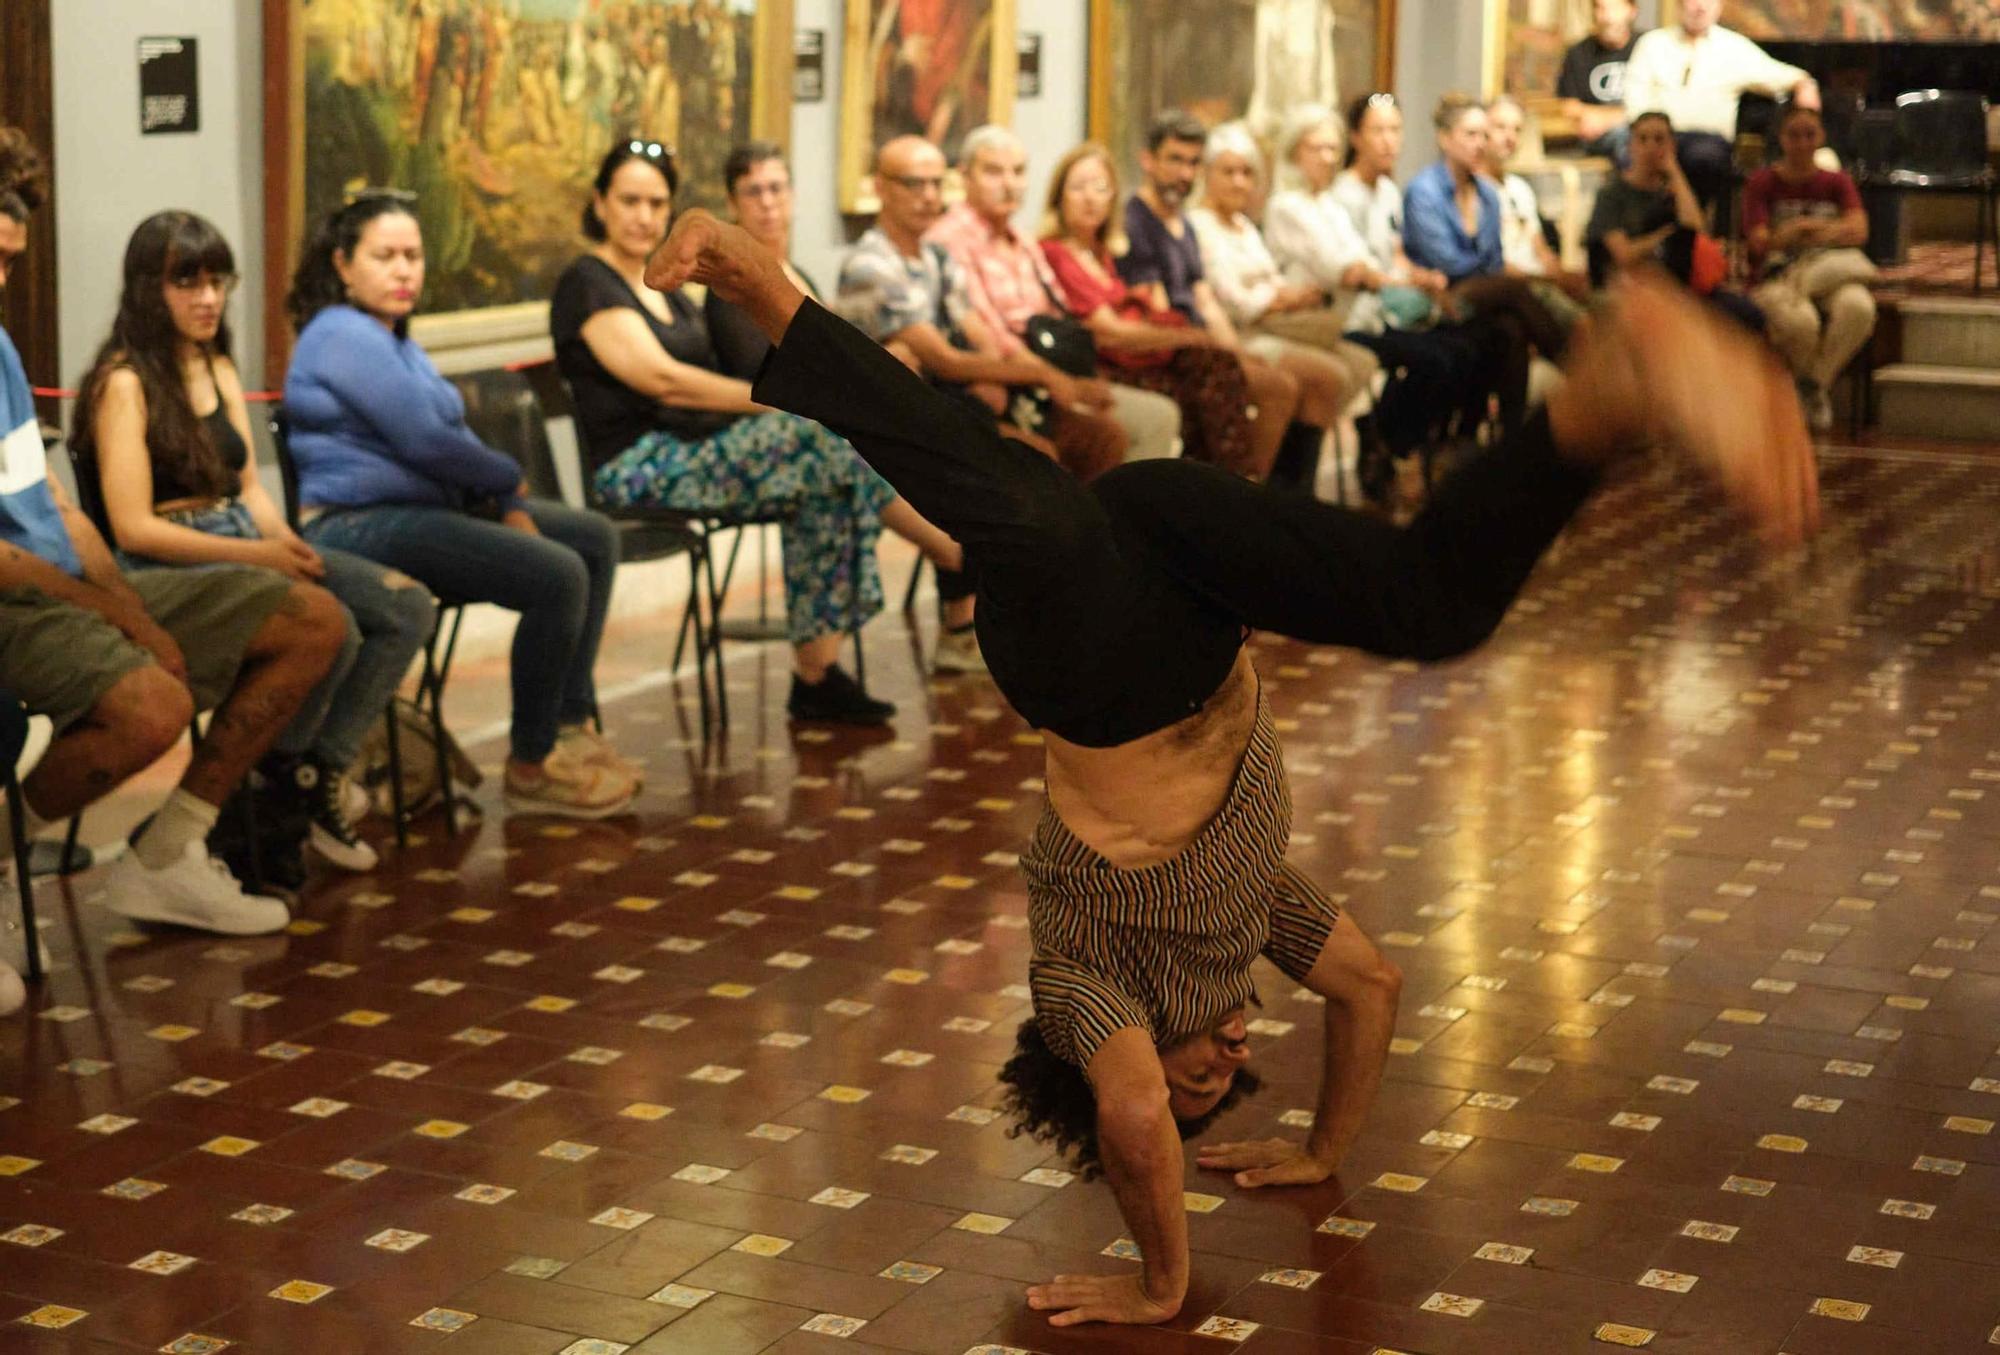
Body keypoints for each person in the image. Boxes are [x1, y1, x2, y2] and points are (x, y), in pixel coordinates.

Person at [651, 207, 1818, 1328]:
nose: (1226, 1057)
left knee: (1016, 508)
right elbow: (1371, 989)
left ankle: (759, 282)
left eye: (1199, 1075)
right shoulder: (1247, 909)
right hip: (1185, 581)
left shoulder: (1084, 988)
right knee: (1431, 605)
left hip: (1081, 662)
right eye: (1227, 1077)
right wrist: (1321, 1145)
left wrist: (1163, 1279)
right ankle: (1604, 396)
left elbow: (1130, 1109)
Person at [0, 129, 349, 999]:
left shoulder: (1, 350)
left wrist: (131, 608)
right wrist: (109, 606)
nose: (2, 277)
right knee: (153, 702)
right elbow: (93, 533)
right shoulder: (126, 377)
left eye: (10, 260)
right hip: (20, 596)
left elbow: (58, 511)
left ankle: (168, 846)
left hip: (66, 582)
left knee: (319, 620)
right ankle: (2, 859)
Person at [73, 211, 437, 886]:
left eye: (217, 280)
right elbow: (133, 528)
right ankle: (271, 791)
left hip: (239, 535)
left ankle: (308, 774)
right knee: (336, 629)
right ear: (147, 288)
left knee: (405, 605)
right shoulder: (124, 381)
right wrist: (263, 559)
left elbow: (248, 487)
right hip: (169, 562)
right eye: (188, 281)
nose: (208, 297)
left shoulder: (213, 361)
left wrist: (287, 542)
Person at [549, 141, 963, 722]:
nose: (644, 216)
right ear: (600, 202)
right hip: (640, 466)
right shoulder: (587, 282)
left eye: (657, 202)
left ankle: (817, 674)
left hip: (702, 451)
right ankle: (950, 550)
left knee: (828, 475)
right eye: (630, 201)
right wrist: (781, 404)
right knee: (825, 442)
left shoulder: (668, 286)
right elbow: (666, 381)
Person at [285, 191, 639, 816]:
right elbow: (427, 442)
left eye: (414, 256)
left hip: (425, 510)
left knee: (591, 538)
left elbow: (449, 437)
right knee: (557, 574)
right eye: (385, 256)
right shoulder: (339, 334)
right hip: (356, 526)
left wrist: (502, 493)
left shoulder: (392, 338)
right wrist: (508, 484)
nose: (404, 271)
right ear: (343, 265)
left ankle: (568, 727)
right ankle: (531, 764)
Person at [924, 125, 1183, 467]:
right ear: (965, 176)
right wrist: (1058, 380)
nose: (1009, 184)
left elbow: (1060, 319)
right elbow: (991, 337)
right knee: (1108, 433)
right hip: (1002, 380)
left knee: (1159, 410)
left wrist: (1079, 376)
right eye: (993, 172)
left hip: (1048, 366)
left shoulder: (1022, 240)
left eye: (1018, 172)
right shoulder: (952, 240)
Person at [1037, 144, 1262, 479]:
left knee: (1215, 369)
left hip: (1131, 355)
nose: (1090, 198)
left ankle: (1219, 491)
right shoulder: (1056, 252)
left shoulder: (1103, 253)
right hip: (1099, 362)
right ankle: (1225, 489)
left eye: (1100, 188)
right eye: (1078, 187)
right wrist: (1185, 334)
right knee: (1207, 371)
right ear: (1059, 196)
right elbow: (1108, 331)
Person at [1184, 122, 1381, 492]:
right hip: (1237, 333)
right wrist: (1281, 298)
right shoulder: (1199, 225)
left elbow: (1273, 282)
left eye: (1247, 173)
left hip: (1273, 324)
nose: (1239, 182)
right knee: (1324, 376)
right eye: (1228, 172)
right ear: (1207, 174)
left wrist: (1286, 296)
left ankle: (1294, 487)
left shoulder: (1243, 225)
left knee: (1357, 361)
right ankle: (1266, 487)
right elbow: (1234, 301)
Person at [1117, 112, 1310, 482]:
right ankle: (1240, 491)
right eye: (1174, 159)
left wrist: (1233, 350)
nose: (1185, 174)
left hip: (1199, 345)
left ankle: (1246, 491)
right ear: (1148, 160)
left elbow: (1204, 299)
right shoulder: (1135, 220)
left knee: (1271, 378)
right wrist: (1211, 347)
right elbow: (1153, 307)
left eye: (1192, 163)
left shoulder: (1183, 223)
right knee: (1266, 386)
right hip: (1164, 349)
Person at [1742, 103, 1876, 433]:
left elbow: (1859, 230)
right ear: (1781, 138)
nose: (1802, 143)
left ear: (1822, 137)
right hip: (1779, 277)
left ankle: (1811, 385)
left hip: (1832, 272)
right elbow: (1760, 242)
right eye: (1794, 135)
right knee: (1801, 322)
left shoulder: (1837, 182)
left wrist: (1802, 227)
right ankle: (1811, 391)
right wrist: (1825, 231)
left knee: (1858, 307)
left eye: (1809, 134)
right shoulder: (1761, 183)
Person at [1622, 0, 1818, 207]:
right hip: (1654, 136)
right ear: (1679, 4)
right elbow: (1636, 96)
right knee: (1628, 152)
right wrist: (1652, 139)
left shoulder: (1733, 47)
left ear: (1719, 6)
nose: (1700, 7)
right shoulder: (1653, 43)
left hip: (1708, 144)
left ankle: (1698, 232)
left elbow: (1781, 74)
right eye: (1693, 1)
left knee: (1703, 158)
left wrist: (1804, 84)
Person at [1586, 112, 1766, 334]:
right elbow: (1624, 255)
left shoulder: (1674, 191)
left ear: (1672, 145)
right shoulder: (1612, 194)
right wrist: (1663, 237)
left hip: (1681, 284)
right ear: (1631, 145)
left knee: (1748, 315)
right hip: (1632, 285)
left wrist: (1674, 171)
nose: (1651, 147)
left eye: (1659, 139)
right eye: (1643, 139)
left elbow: (1696, 230)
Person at [1482, 95, 1589, 325]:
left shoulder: (1520, 189)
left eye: (1517, 129)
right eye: (1500, 127)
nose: (1509, 137)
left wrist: (1562, 275)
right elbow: (1491, 263)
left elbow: (1540, 248)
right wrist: (1546, 279)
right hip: (1510, 287)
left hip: (1539, 282)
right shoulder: (1473, 191)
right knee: (1582, 327)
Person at [1557, 0, 1645, 161]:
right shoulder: (1579, 52)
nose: (1607, 17)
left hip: (1639, 131)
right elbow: (1569, 105)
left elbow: (1658, 101)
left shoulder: (1647, 46)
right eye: (1601, 8)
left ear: (1632, 11)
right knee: (1623, 138)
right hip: (1597, 136)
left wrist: (1608, 118)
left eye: (1615, 8)